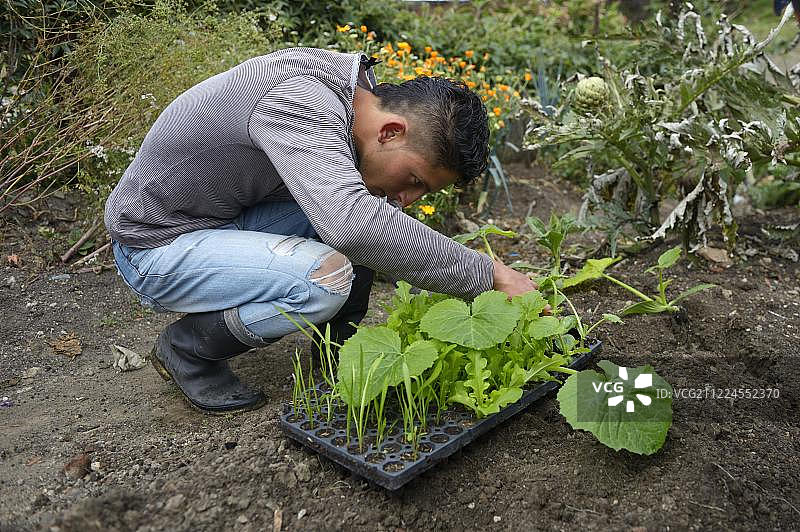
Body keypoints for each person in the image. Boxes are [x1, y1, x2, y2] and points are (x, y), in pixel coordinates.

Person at [104, 47, 537, 415]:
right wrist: (489, 274)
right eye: (415, 181)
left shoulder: (348, 96)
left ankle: (336, 355)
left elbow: (365, 222)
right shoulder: (299, 100)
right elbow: (351, 226)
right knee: (325, 278)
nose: (411, 197)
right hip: (156, 243)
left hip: (220, 219)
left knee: (375, 218)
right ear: (391, 131)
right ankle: (189, 350)